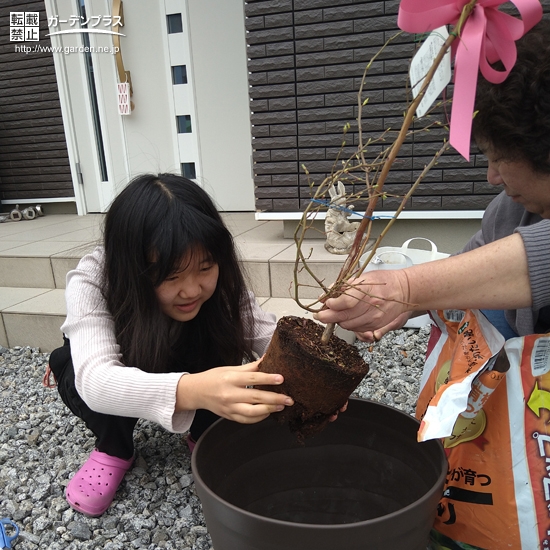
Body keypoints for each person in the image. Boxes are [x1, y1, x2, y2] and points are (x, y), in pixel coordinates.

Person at [46, 174, 294, 517]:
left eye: (205, 267)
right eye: (171, 276)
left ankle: (205, 432)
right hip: (118, 369)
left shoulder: (219, 286)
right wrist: (195, 390)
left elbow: (263, 332)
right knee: (76, 372)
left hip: (183, 358)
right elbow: (97, 381)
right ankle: (114, 448)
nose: (191, 290)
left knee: (217, 346)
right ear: (132, 267)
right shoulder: (93, 279)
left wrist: (306, 367)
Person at [317, 18, 550, 340]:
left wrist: (406, 288)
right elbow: (469, 268)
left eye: (498, 159)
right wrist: (405, 304)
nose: (491, 177)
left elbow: (539, 256)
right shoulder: (510, 210)